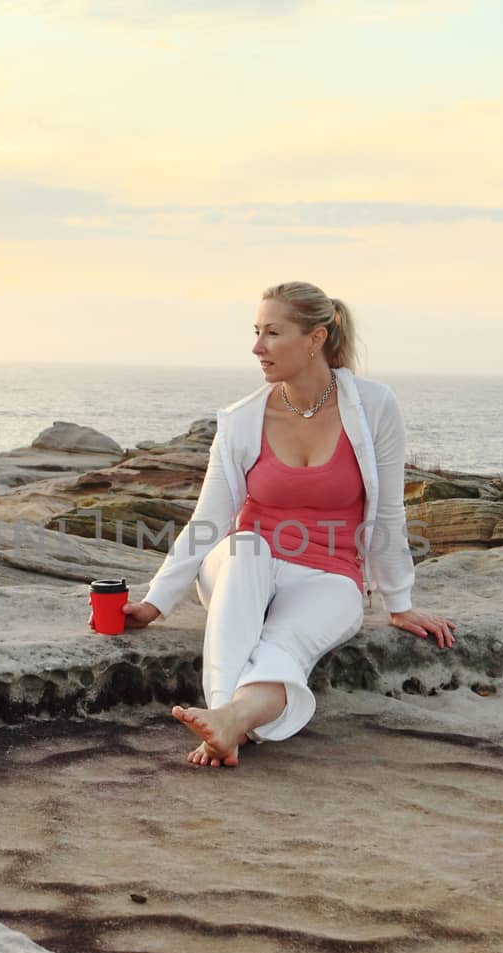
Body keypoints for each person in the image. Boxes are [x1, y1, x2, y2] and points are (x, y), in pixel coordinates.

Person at [118, 281, 457, 768]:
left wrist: (398, 602)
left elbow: (387, 513)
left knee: (285, 646)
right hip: (244, 569)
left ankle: (231, 721)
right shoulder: (241, 419)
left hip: (329, 574)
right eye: (256, 332)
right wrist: (155, 602)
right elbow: (208, 521)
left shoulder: (375, 407)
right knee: (246, 548)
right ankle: (225, 719)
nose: (257, 348)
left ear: (316, 338)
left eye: (272, 333)